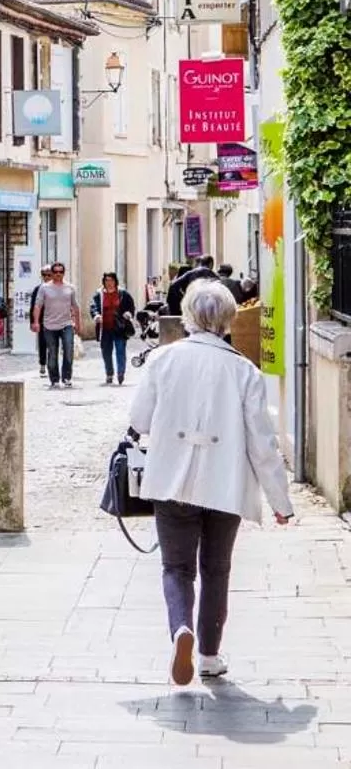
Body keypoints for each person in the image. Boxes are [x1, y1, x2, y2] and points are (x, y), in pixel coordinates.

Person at [129, 280, 294, 685]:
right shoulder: (244, 371)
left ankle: (180, 629)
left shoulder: (163, 361)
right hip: (224, 483)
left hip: (172, 479)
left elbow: (140, 421)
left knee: (176, 568)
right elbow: (262, 443)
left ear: (186, 315)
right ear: (227, 320)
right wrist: (280, 501)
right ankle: (208, 655)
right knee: (216, 569)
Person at [31, 263, 80, 388]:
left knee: (68, 351)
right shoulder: (44, 288)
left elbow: (75, 306)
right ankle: (54, 379)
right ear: (52, 274)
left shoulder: (70, 288)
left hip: (66, 324)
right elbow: (38, 305)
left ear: (64, 273)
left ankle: (67, 377)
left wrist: (78, 323)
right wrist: (36, 321)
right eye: (56, 272)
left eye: (61, 272)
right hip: (49, 325)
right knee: (52, 352)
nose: (58, 274)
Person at [92, 272, 138, 387]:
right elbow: (94, 307)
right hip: (105, 328)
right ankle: (109, 373)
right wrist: (96, 315)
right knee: (106, 352)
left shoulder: (123, 294)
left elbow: (131, 307)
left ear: (115, 281)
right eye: (107, 280)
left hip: (119, 328)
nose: (109, 283)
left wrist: (128, 314)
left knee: (120, 350)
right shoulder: (99, 294)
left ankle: (120, 373)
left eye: (111, 280)